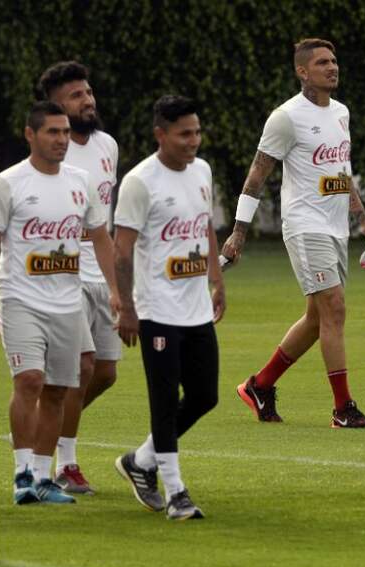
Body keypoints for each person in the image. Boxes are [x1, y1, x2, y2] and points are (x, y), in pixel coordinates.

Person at [221, 38, 365, 427]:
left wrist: (362, 220)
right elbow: (256, 176)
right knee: (335, 307)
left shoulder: (342, 113)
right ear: (302, 71)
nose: (333, 67)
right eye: (323, 63)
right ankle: (343, 408)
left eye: (334, 61)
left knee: (317, 318)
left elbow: (341, 174)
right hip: (303, 224)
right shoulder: (285, 117)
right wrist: (238, 233)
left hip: (335, 228)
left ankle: (259, 386)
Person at [0, 101, 115, 505]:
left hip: (67, 302)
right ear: (31, 135)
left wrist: (117, 292)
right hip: (19, 299)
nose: (62, 140)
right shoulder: (7, 184)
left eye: (65, 133)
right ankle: (22, 475)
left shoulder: (80, 182)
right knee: (30, 381)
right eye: (53, 133)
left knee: (60, 390)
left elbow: (100, 238)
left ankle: (45, 478)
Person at [112, 95, 225, 520]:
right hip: (157, 309)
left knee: (205, 396)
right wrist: (127, 310)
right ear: (161, 134)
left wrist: (217, 278)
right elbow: (122, 252)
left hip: (196, 307)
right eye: (184, 134)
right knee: (163, 399)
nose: (193, 141)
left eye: (196, 132)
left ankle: (140, 460)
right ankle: (176, 492)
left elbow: (205, 226)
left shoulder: (202, 171)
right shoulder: (141, 182)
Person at [38, 61, 122, 494]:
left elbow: (104, 224)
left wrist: (117, 285)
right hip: (65, 275)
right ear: (56, 106)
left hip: (100, 276)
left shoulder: (107, 145)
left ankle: (49, 421)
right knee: (82, 367)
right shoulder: (53, 151)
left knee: (105, 372)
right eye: (76, 96)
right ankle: (65, 464)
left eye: (88, 92)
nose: (88, 100)